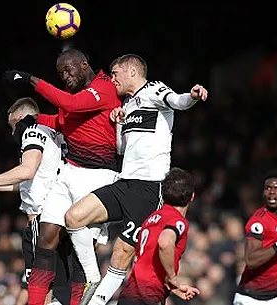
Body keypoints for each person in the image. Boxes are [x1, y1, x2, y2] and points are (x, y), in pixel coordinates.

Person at [63, 54, 208, 305]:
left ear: (132, 71)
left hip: (150, 188)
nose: (113, 79)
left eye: (116, 73)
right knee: (73, 217)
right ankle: (92, 275)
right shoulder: (128, 105)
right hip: (124, 182)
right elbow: (121, 149)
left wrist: (192, 96)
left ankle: (96, 302)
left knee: (121, 253)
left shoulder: (154, 89)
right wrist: (118, 124)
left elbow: (178, 101)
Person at [3, 49, 122, 305]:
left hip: (96, 176)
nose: (65, 77)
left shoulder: (104, 88)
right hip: (69, 172)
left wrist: (31, 80)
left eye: (69, 70)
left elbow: (71, 106)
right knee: (46, 239)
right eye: (60, 74)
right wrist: (32, 120)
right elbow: (62, 120)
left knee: (81, 252)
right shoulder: (74, 94)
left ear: (84, 64)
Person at [0, 97, 72, 305]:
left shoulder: (32, 131)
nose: (12, 133)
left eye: (12, 126)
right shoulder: (53, 135)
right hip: (59, 218)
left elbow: (26, 171)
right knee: (50, 286)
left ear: (20, 119)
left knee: (40, 286)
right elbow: (29, 182)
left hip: (42, 221)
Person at [118, 168, 201, 305]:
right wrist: (172, 278)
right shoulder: (177, 220)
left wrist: (172, 287)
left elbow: (148, 259)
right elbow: (165, 242)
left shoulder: (151, 219)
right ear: (192, 196)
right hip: (149, 295)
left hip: (130, 293)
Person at [233, 171, 277, 305]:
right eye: (268, 188)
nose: (271, 192)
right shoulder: (258, 221)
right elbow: (251, 260)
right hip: (253, 297)